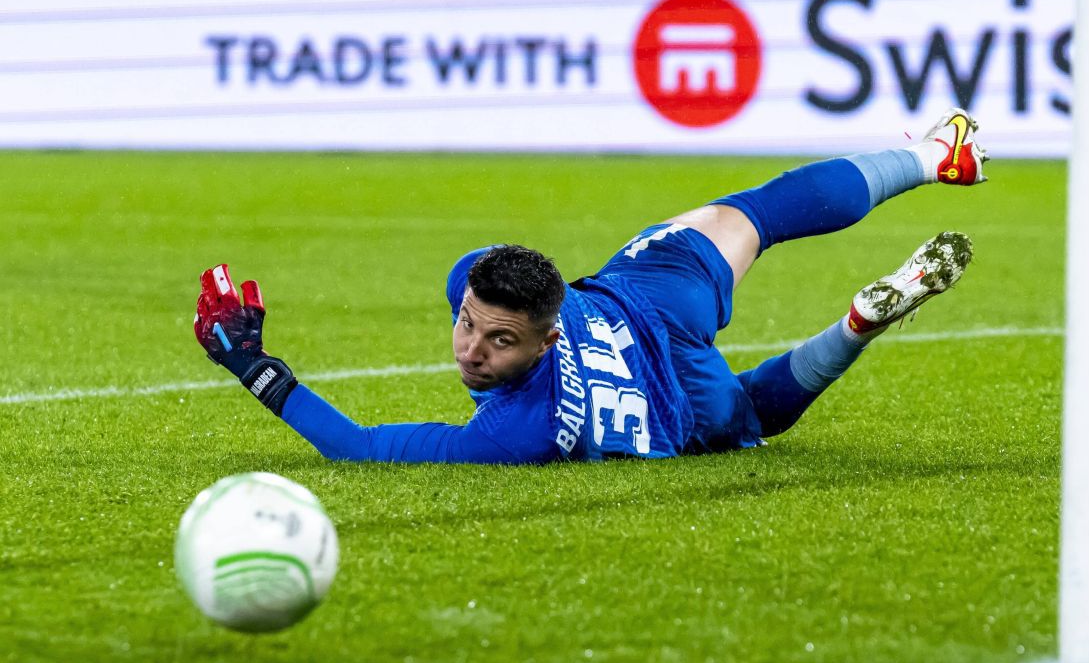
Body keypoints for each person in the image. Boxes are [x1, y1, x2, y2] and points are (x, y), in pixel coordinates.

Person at [194, 108, 987, 464]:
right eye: (469, 324)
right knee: (757, 213)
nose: (471, 352)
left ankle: (853, 330)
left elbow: (362, 448)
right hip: (651, 299)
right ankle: (931, 159)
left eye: (499, 341)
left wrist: (253, 366)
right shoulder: (504, 297)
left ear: (546, 336)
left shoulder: (513, 436)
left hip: (689, 411)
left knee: (749, 417)